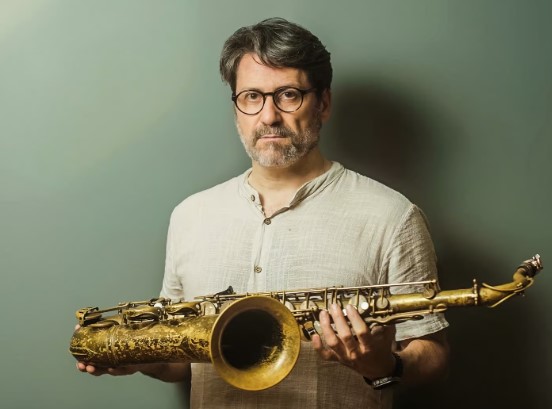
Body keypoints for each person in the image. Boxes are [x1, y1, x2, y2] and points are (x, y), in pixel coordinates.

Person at [77, 17, 450, 408]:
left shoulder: (392, 216)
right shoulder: (190, 215)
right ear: (236, 109)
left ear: (323, 104)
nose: (269, 116)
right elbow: (182, 360)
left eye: (288, 95)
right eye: (252, 96)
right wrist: (135, 356)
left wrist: (383, 365)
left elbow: (434, 354)